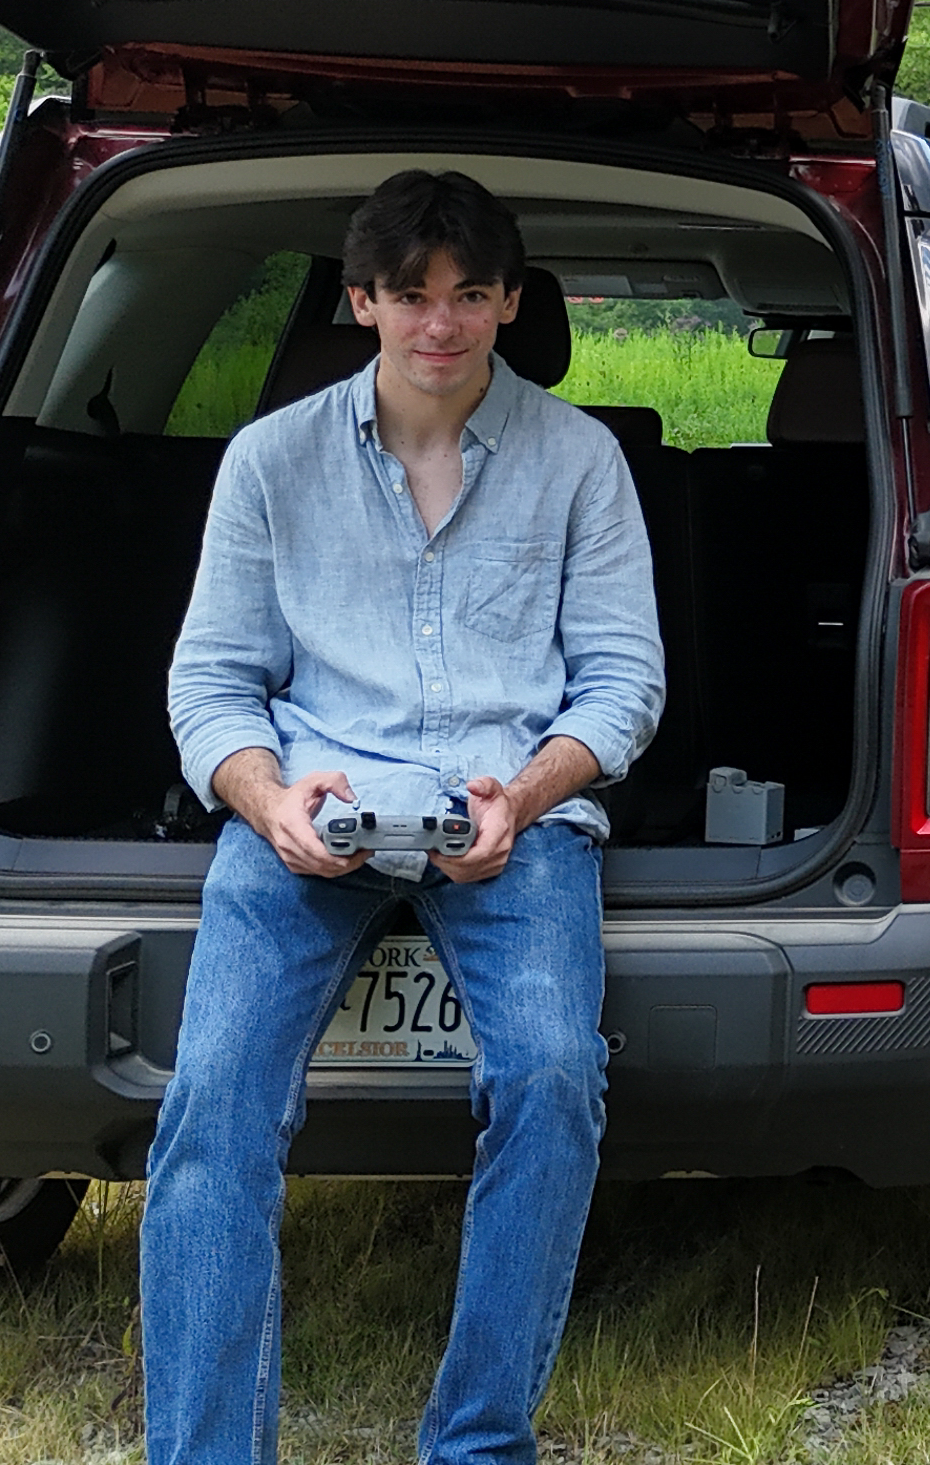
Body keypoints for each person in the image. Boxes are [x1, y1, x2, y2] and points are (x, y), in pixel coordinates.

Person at [147, 170, 664, 1465]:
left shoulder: (580, 461)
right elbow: (210, 681)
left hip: (511, 824)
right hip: (308, 815)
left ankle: (478, 1441)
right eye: (412, 294)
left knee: (553, 1078)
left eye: (471, 294)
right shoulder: (271, 460)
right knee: (211, 1102)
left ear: (507, 304)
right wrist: (269, 799)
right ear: (361, 299)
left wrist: (528, 792)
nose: (442, 323)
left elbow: (625, 681)